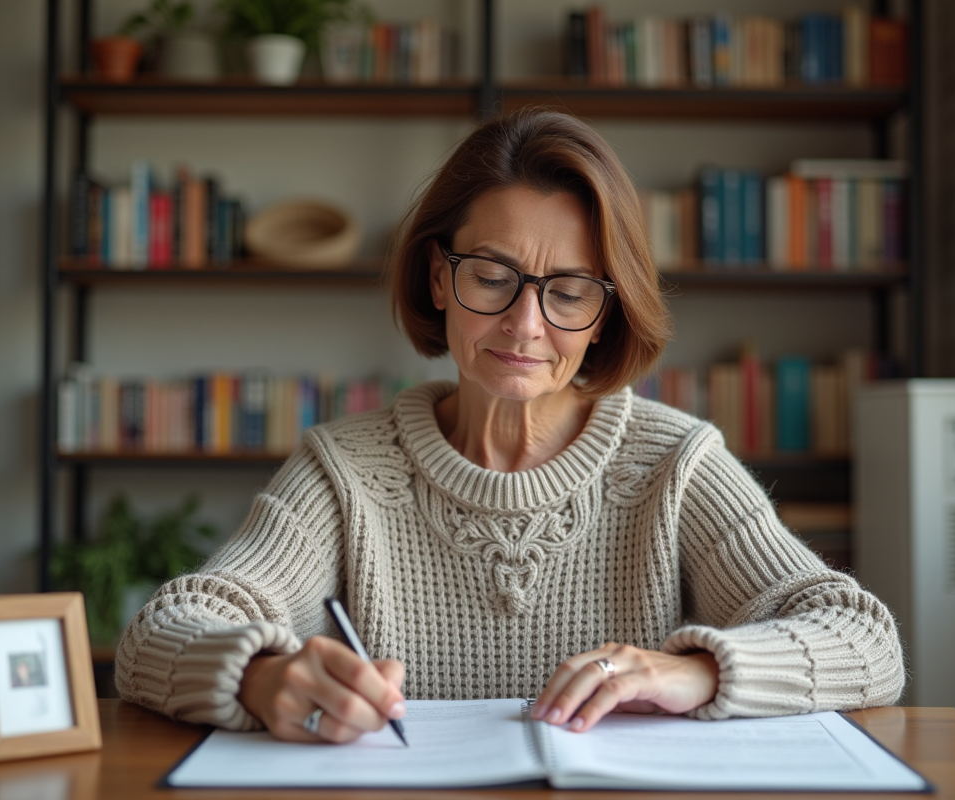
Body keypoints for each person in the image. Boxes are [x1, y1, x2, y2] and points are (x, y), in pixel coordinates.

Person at [115, 108, 904, 744]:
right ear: (438, 276)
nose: (524, 324)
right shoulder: (344, 470)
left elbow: (865, 642)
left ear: (606, 314)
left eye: (566, 292)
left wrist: (697, 671)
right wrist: (260, 676)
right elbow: (156, 636)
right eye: (492, 277)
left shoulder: (675, 464)